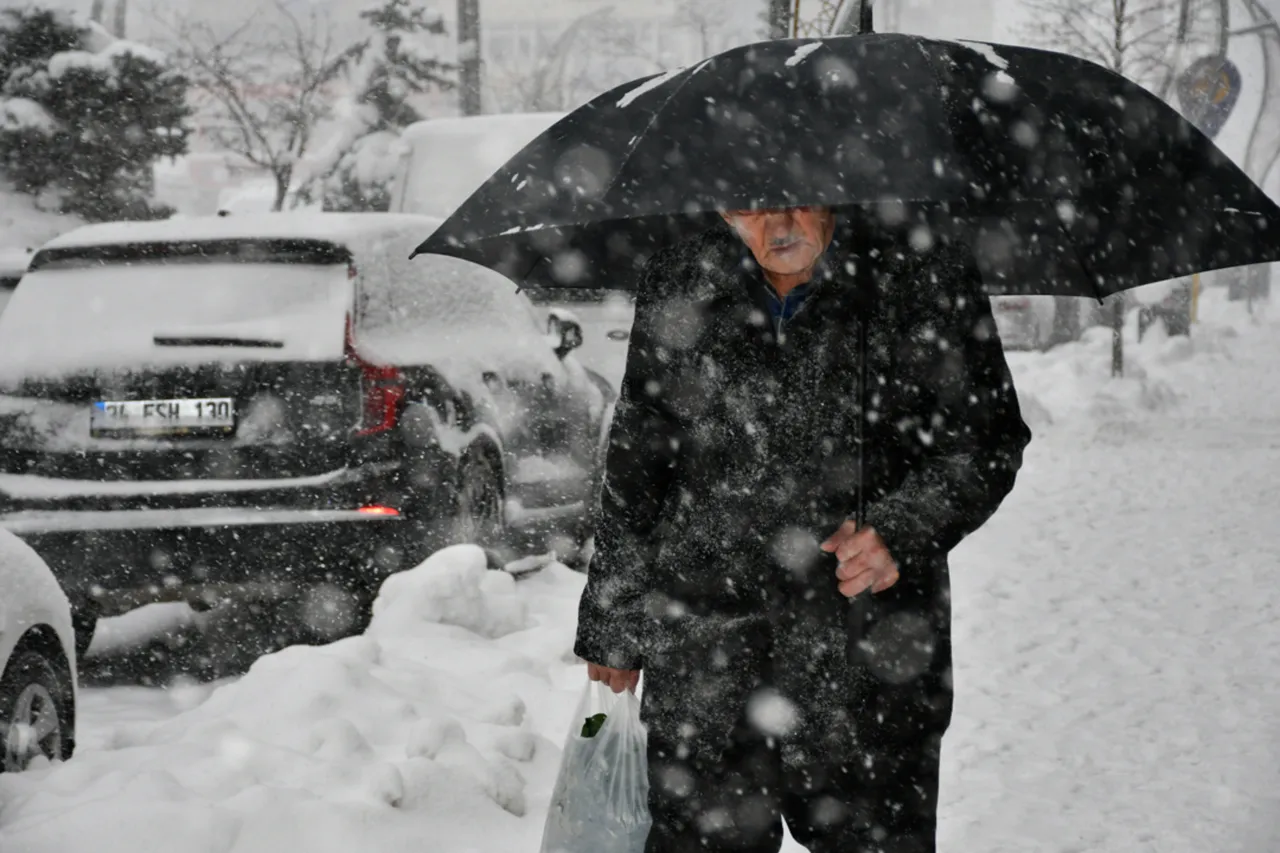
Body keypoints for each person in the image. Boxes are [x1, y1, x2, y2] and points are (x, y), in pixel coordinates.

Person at [575, 204, 1031, 853]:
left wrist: (899, 530)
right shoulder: (682, 273)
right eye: (748, 206)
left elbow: (986, 441)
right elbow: (639, 457)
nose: (774, 224)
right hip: (707, 661)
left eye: (794, 196)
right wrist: (613, 618)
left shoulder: (920, 270)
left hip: (868, 664)